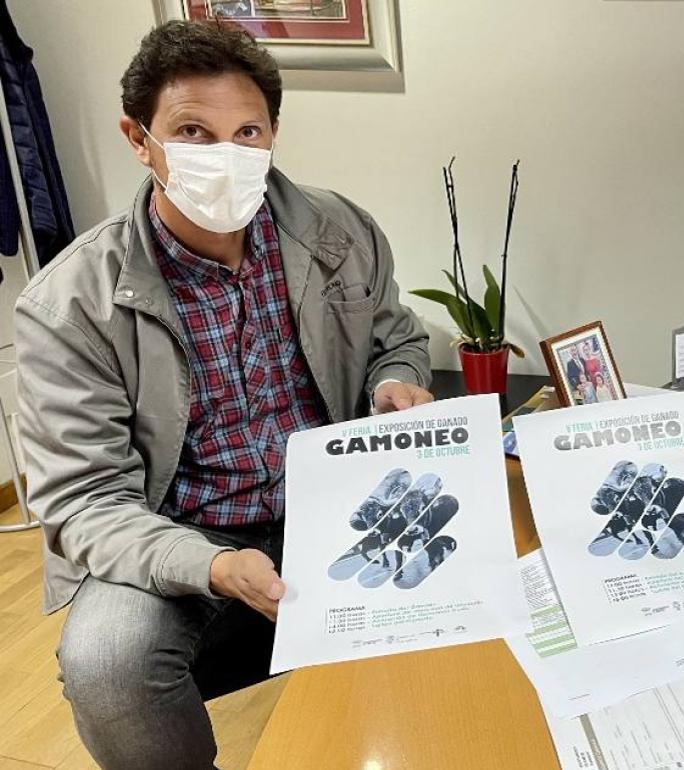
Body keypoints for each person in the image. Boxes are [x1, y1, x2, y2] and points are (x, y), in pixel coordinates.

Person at [13, 21, 434, 770]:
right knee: (107, 663)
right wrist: (211, 566)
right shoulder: (70, 303)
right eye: (193, 132)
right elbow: (83, 501)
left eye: (247, 132)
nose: (226, 157)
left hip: (333, 505)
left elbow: (395, 337)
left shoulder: (339, 231)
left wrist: (395, 382)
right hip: (178, 532)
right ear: (139, 139)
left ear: (274, 133)